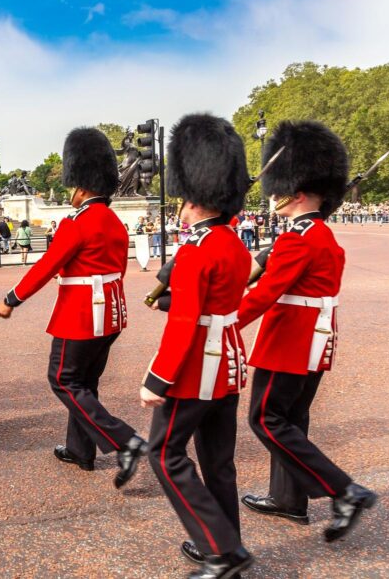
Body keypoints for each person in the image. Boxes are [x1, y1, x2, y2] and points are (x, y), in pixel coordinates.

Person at [237, 120, 377, 544]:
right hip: (314, 342)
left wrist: (223, 325)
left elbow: (263, 295)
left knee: (265, 419)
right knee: (292, 419)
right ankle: (289, 499)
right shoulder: (320, 234)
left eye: (280, 190)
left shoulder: (299, 240)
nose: (273, 197)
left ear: (297, 193)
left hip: (289, 343)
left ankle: (344, 490)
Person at [0, 127, 146, 489]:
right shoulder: (115, 222)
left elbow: (46, 265)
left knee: (63, 379)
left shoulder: (76, 222)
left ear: (80, 186)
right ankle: (81, 450)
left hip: (80, 314)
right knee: (85, 383)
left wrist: (12, 299)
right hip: (111, 314)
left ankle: (123, 440)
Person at [139, 114, 254, 578]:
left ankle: (222, 549)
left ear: (194, 199)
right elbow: (213, 300)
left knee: (164, 454)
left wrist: (157, 380)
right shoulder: (233, 244)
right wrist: (173, 297)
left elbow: (187, 323)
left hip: (194, 368)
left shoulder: (194, 250)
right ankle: (229, 539)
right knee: (218, 463)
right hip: (228, 362)